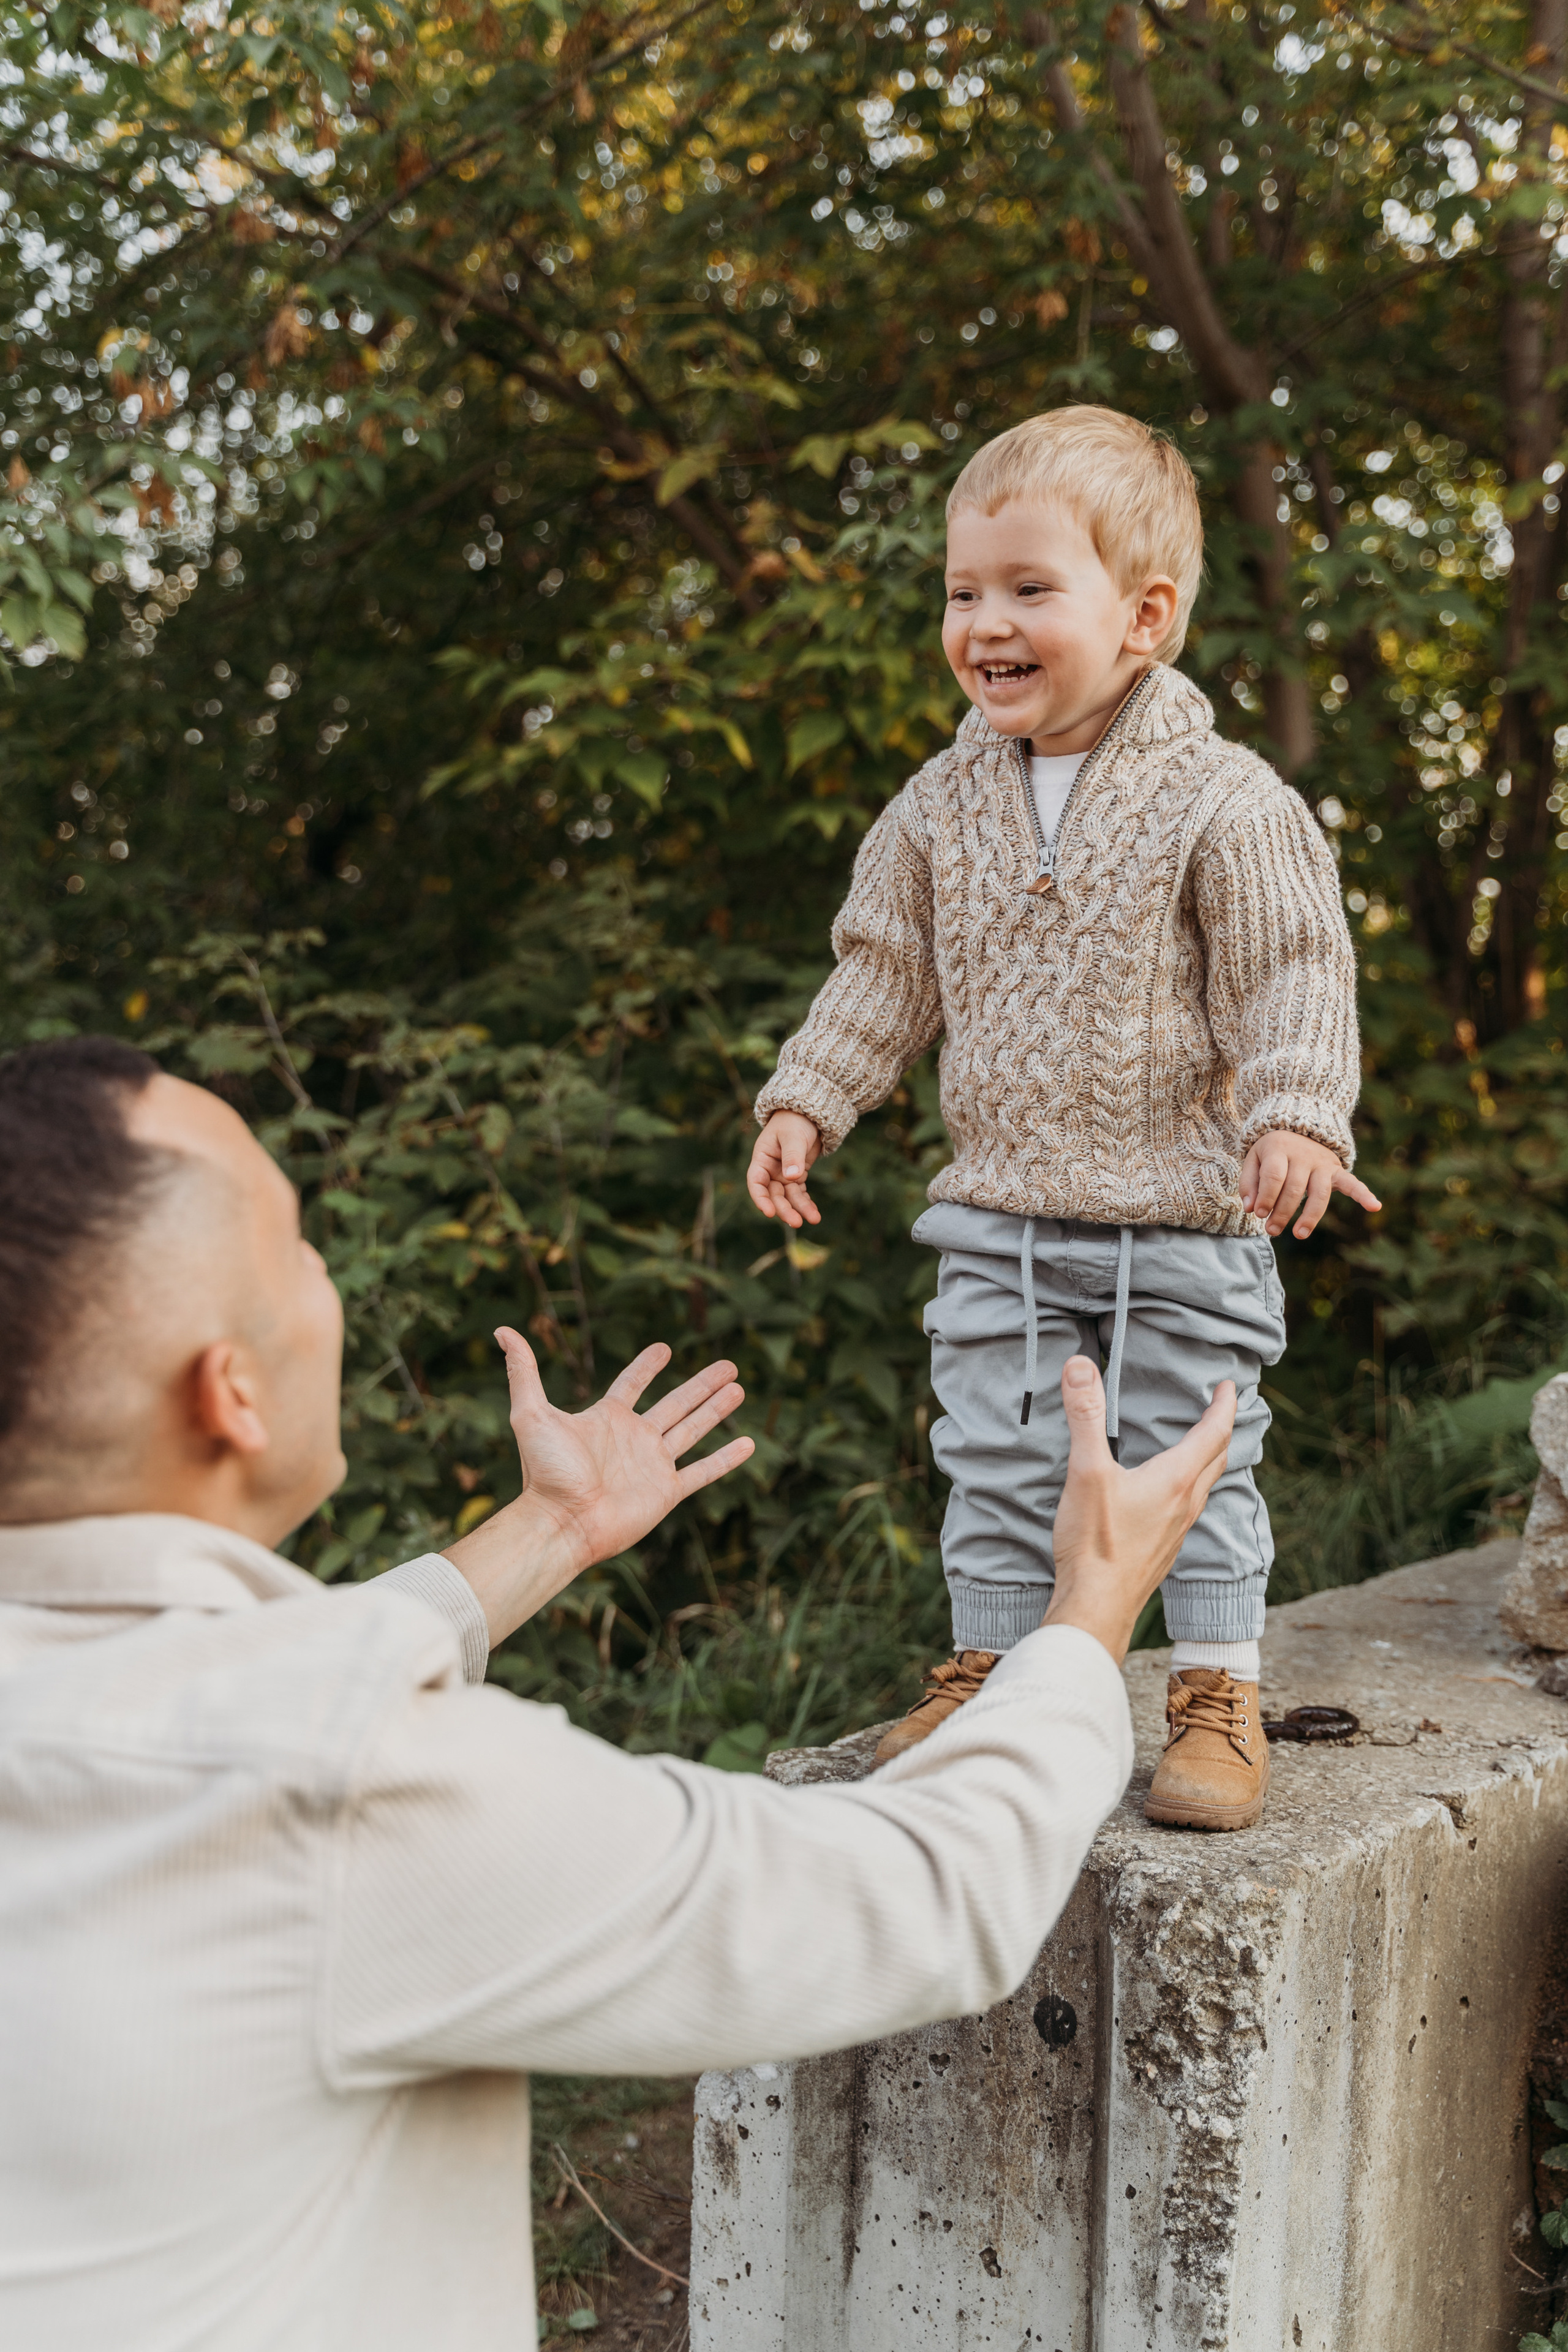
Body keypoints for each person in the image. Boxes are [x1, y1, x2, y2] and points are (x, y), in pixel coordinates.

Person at [0, 1036, 1234, 2350]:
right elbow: (920, 1897)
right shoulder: (343, 1785)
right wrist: (1091, 1609)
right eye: (296, 1247)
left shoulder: (143, 1713)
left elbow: (190, 1693)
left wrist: (546, 1536)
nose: (325, 1283)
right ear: (229, 1395)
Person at [748, 402, 1380, 1831]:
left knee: (1191, 1451)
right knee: (994, 1448)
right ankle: (991, 1670)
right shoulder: (934, 806)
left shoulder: (1223, 799)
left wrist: (1294, 1112)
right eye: (964, 592)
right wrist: (811, 1094)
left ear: (1142, 614)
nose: (986, 623)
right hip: (999, 1215)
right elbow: (882, 974)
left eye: (1030, 590)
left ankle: (1212, 1688)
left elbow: (1290, 970)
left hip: (1182, 1212)